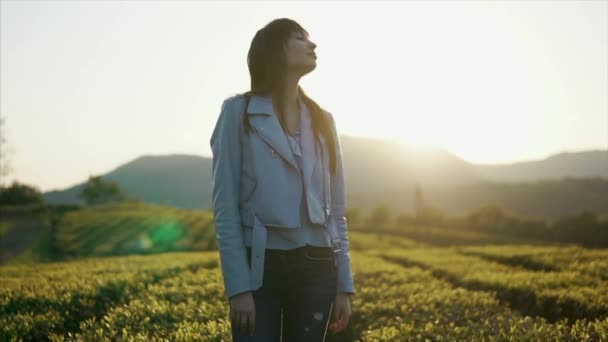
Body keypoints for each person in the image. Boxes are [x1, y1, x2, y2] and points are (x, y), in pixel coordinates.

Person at [210, 18, 355, 341]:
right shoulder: (238, 113)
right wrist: (238, 290)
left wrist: (343, 284)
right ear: (275, 50)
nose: (312, 44)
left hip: (317, 267)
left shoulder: (323, 121)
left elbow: (337, 211)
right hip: (261, 268)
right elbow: (226, 209)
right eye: (300, 38)